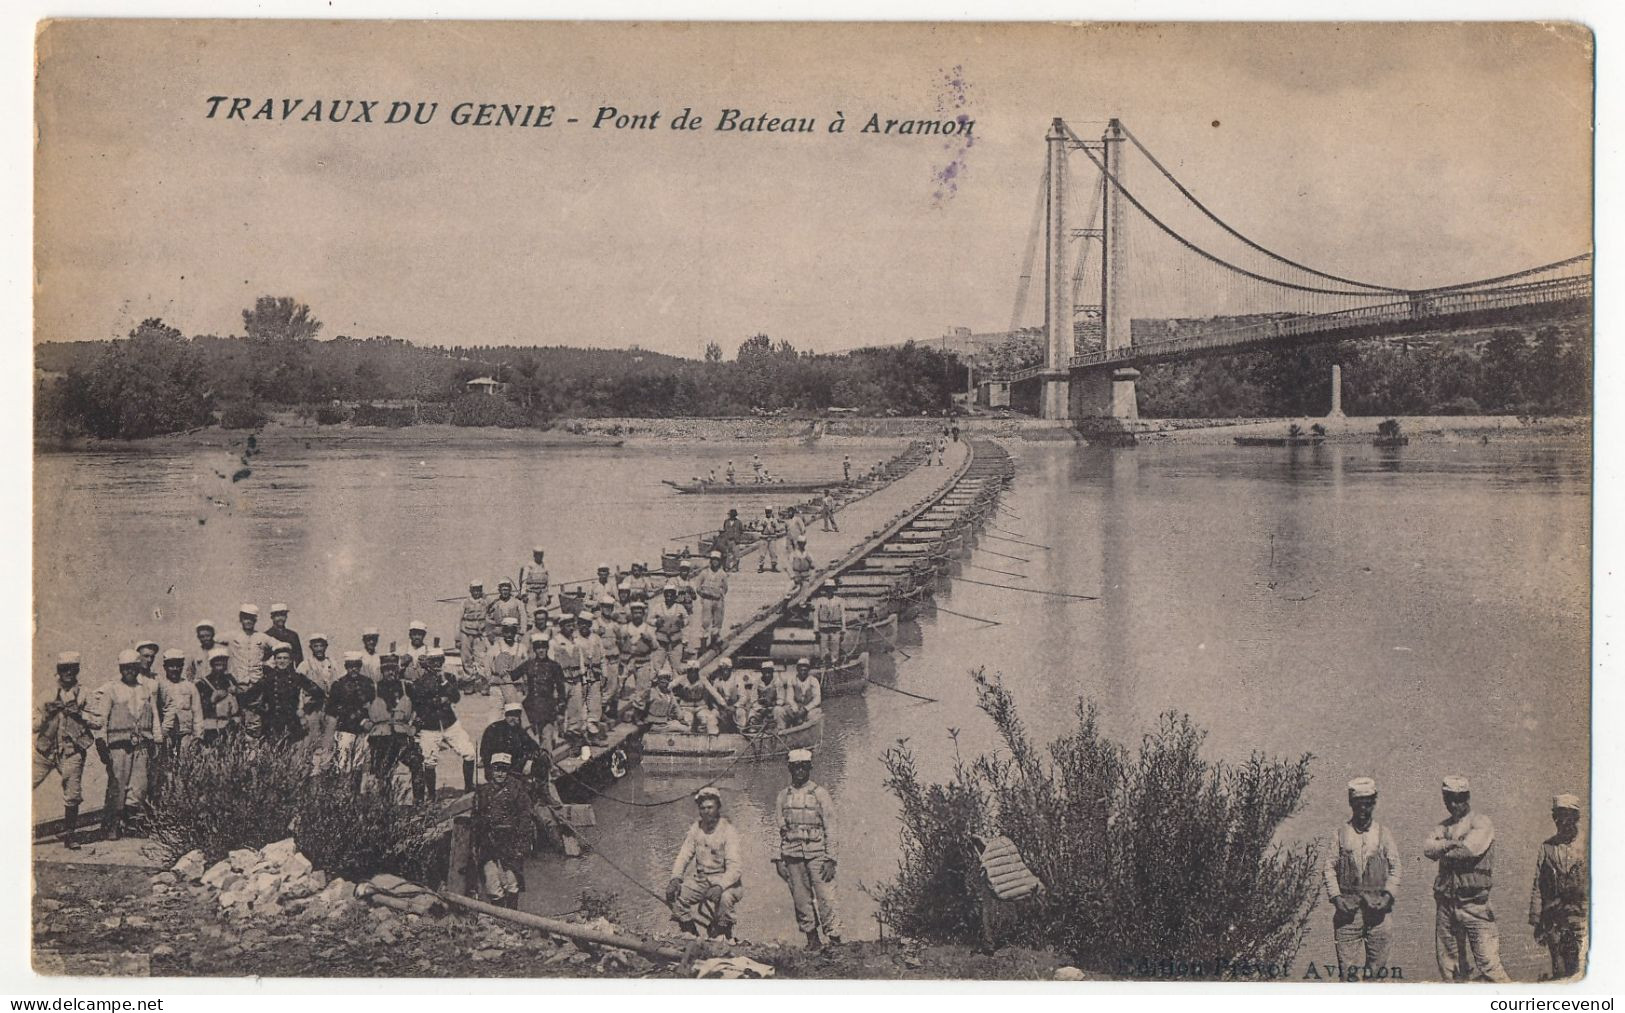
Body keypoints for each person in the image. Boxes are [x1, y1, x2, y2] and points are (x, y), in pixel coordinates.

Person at [1423, 775, 1511, 982]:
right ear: (1444, 799)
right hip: (1446, 904)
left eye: (1460, 798)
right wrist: (1451, 844)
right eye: (1450, 798)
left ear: (1467, 797)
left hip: (1475, 905)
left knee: (1489, 965)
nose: (1455, 804)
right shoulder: (1443, 825)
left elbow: (1468, 851)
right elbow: (1427, 848)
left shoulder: (1480, 822)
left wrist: (1442, 846)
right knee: (1450, 967)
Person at [1323, 777, 1402, 975]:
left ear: (1374, 803)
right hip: (1347, 914)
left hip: (1379, 913)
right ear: (1351, 803)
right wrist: (1336, 898)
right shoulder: (1340, 833)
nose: (1363, 809)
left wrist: (1387, 896)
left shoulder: (1383, 833)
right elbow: (1329, 868)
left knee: (1377, 972)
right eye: (1359, 804)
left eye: (1368, 804)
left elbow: (1396, 867)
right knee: (1347, 971)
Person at [775, 748, 843, 949]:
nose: (800, 772)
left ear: (810, 768)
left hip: (817, 854)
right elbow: (778, 828)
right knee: (801, 900)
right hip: (792, 855)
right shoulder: (782, 796)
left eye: (804, 767)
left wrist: (831, 859)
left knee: (827, 897)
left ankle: (835, 939)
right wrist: (779, 860)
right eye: (795, 768)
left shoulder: (820, 794)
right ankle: (812, 940)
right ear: (790, 769)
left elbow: (832, 827)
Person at [90, 650, 160, 840]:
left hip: (142, 743)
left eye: (132, 667)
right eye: (125, 668)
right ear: (121, 669)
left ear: (138, 668)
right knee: (117, 784)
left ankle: (131, 823)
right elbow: (101, 719)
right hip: (118, 745)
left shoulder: (145, 689)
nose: (129, 671)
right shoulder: (111, 690)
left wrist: (157, 738)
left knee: (139, 785)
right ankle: (113, 824)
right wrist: (100, 741)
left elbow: (154, 716)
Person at [666, 786, 744, 939]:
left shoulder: (728, 831)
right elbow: (683, 856)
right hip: (702, 880)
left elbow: (735, 868)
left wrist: (720, 886)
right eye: (702, 808)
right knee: (674, 895)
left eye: (710, 807)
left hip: (727, 882)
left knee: (725, 898)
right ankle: (692, 936)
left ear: (718, 808)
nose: (706, 812)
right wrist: (675, 878)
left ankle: (723, 936)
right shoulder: (696, 829)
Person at [34, 652, 93, 849]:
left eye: (72, 668)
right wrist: (45, 716)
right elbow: (30, 724)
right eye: (63, 669)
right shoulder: (46, 694)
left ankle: (70, 834)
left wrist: (81, 714)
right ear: (58, 671)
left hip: (72, 750)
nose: (68, 673)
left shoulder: (85, 693)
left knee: (73, 793)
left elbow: (99, 721)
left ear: (78, 670)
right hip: (46, 750)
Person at [1530, 794, 1587, 980]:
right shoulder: (1547, 847)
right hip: (1555, 919)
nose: (1562, 822)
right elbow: (1538, 885)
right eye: (1558, 816)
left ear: (1576, 818)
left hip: (1581, 919)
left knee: (1582, 969)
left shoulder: (1586, 846)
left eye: (1568, 817)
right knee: (1559, 970)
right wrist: (1537, 920)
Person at [410, 648, 477, 796]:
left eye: (439, 661)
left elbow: (456, 697)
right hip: (430, 726)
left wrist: (443, 681)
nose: (437, 664)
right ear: (427, 663)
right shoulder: (420, 682)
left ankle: (468, 788)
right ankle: (432, 795)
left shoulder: (449, 678)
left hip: (449, 723)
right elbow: (420, 703)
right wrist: (440, 700)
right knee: (429, 761)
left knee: (469, 752)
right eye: (433, 661)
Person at [473, 752, 533, 909]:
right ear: (491, 770)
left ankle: (513, 919)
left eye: (504, 769)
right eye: (497, 769)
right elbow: (476, 819)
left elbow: (525, 818)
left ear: (508, 771)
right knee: (492, 884)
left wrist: (522, 845)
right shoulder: (483, 791)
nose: (500, 773)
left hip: (511, 841)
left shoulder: (517, 791)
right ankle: (498, 919)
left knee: (512, 883)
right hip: (489, 842)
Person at [240, 643, 325, 742]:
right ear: (275, 660)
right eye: (279, 658)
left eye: (285, 658)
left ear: (290, 660)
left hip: (292, 723)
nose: (282, 661)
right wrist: (262, 710)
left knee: (292, 753)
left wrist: (305, 710)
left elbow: (319, 694)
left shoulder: (297, 677)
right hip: (271, 724)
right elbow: (246, 698)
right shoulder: (268, 678)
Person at [363, 657, 421, 798]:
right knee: (382, 771)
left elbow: (423, 708)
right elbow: (357, 708)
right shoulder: (373, 689)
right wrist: (364, 722)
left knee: (416, 762)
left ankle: (420, 803)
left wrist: (416, 726)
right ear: (382, 671)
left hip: (402, 735)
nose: (391, 673)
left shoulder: (407, 687)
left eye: (394, 669)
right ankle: (384, 804)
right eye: (387, 669)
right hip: (380, 736)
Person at [225, 604, 275, 734]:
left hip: (256, 685)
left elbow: (282, 647)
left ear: (255, 620)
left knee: (254, 719)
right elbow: (213, 643)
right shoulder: (232, 636)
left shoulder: (262, 637)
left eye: (251, 619)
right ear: (241, 619)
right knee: (235, 718)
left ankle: (252, 750)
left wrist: (267, 664)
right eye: (245, 618)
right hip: (238, 684)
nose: (248, 621)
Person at [325, 652, 377, 774]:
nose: (354, 669)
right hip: (345, 728)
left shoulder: (368, 683)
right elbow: (332, 708)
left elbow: (373, 705)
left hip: (363, 730)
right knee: (342, 763)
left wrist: (367, 720)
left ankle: (356, 792)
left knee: (360, 763)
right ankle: (341, 791)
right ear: (346, 666)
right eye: (350, 666)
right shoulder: (338, 685)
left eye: (357, 666)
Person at [553, 615, 599, 747]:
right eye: (567, 625)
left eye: (572, 625)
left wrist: (583, 679)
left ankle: (573, 734)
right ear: (561, 627)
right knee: (559, 708)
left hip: (576, 679)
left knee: (576, 709)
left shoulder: (576, 642)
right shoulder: (555, 642)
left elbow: (581, 662)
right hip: (562, 680)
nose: (571, 628)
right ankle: (558, 736)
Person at [520, 633, 567, 751]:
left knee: (546, 740)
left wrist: (561, 711)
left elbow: (561, 690)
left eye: (543, 648)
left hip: (547, 708)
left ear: (547, 648)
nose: (541, 651)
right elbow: (512, 675)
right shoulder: (528, 664)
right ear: (534, 650)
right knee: (530, 740)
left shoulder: (554, 666)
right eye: (538, 648)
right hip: (531, 708)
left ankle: (546, 766)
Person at [299, 633, 342, 757]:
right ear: (311, 647)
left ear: (326, 646)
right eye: (315, 646)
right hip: (311, 708)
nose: (318, 649)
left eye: (321, 646)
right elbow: (299, 688)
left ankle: (324, 769)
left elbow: (337, 683)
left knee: (328, 740)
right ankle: (308, 770)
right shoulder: (305, 664)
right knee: (311, 739)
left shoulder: (332, 663)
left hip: (329, 707)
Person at [480, 703, 545, 780]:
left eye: (516, 715)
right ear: (505, 715)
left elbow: (534, 747)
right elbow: (484, 752)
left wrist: (529, 761)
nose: (513, 718)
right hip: (497, 769)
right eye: (510, 715)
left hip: (514, 770)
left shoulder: (520, 731)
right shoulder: (493, 729)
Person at [195, 647, 240, 746]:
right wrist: (211, 700)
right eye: (217, 661)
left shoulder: (230, 680)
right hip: (211, 726)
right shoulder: (203, 683)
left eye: (223, 661)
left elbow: (239, 703)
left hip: (229, 724)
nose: (220, 664)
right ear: (211, 663)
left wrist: (237, 692)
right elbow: (197, 707)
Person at [456, 580, 492, 687]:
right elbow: (458, 620)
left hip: (480, 634)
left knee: (481, 658)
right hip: (466, 633)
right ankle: (469, 682)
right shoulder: (465, 603)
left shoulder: (485, 602)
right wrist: (457, 638)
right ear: (470, 590)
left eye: (479, 590)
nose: (476, 592)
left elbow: (494, 606)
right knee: (466, 658)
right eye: (474, 590)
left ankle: (483, 682)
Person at [650, 582, 688, 678]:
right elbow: (649, 619)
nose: (669, 596)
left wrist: (682, 622)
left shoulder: (680, 607)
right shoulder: (658, 607)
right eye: (667, 594)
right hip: (661, 641)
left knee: (676, 667)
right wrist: (656, 622)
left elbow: (687, 618)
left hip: (676, 642)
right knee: (657, 666)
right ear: (664, 595)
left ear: (675, 595)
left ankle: (676, 687)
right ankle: (656, 685)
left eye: (671, 594)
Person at [487, 618, 528, 706]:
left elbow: (526, 669)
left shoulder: (521, 648)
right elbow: (487, 666)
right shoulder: (495, 647)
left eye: (512, 632)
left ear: (516, 632)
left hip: (517, 687)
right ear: (502, 632)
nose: (509, 635)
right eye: (506, 631)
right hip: (498, 686)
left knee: (515, 713)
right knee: (496, 715)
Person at [694, 550, 730, 652]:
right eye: (713, 560)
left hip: (718, 601)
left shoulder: (722, 574)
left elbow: (725, 588)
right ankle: (703, 646)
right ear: (710, 561)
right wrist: (703, 594)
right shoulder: (704, 573)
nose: (715, 562)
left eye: (717, 560)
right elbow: (697, 586)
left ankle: (714, 642)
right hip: (707, 600)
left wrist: (719, 594)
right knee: (705, 621)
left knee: (717, 621)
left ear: (719, 561)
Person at [671, 661, 718, 734]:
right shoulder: (681, 679)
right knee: (686, 723)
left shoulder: (703, 679)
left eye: (695, 671)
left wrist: (724, 704)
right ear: (687, 671)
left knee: (710, 719)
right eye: (690, 671)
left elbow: (714, 692)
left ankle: (710, 740)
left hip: (701, 706)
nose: (693, 673)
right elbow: (668, 688)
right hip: (686, 707)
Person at [813, 582, 846, 665]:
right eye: (827, 588)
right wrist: (816, 631)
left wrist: (843, 630)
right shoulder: (820, 600)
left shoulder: (839, 600)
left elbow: (843, 615)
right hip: (823, 628)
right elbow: (816, 615)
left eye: (831, 588)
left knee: (835, 648)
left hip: (836, 628)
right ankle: (824, 663)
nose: (829, 590)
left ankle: (834, 663)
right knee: (823, 648)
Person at [783, 658, 823, 728]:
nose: (803, 672)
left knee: (815, 713)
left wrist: (806, 709)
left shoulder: (813, 680)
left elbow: (817, 699)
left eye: (805, 670)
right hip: (796, 707)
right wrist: (795, 708)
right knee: (785, 710)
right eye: (801, 670)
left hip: (809, 707)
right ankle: (789, 727)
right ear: (797, 669)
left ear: (808, 670)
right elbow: (789, 698)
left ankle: (809, 727)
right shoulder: (792, 680)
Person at [748, 661, 785, 732]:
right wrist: (760, 709)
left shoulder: (778, 681)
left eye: (769, 672)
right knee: (752, 713)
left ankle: (780, 729)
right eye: (765, 672)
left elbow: (781, 698)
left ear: (772, 672)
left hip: (773, 706)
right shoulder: (757, 682)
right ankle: (754, 730)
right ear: (762, 672)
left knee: (779, 710)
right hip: (761, 707)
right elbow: (753, 699)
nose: (767, 675)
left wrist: (773, 704)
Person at [520, 546, 551, 611]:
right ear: (534, 555)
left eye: (541, 554)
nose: (539, 556)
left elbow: (549, 581)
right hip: (531, 593)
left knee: (543, 612)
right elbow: (524, 580)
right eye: (537, 554)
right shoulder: (529, 566)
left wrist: (549, 595)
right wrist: (523, 594)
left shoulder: (545, 566)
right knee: (531, 613)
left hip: (543, 593)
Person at [758, 507, 782, 573]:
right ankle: (761, 567)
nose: (768, 513)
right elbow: (758, 528)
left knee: (773, 552)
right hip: (764, 537)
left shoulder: (774, 520)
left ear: (771, 512)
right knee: (762, 553)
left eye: (769, 512)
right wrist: (762, 526)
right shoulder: (762, 520)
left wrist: (774, 526)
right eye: (767, 512)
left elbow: (778, 529)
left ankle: (774, 566)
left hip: (772, 537)